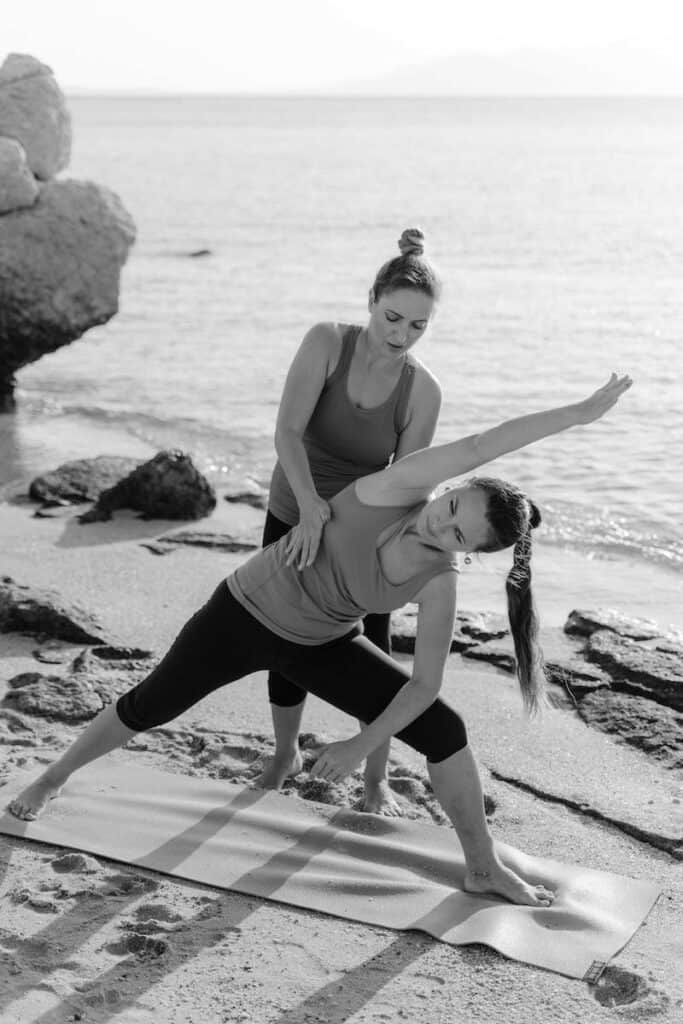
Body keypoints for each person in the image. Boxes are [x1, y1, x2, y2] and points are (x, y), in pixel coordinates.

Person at [8, 373, 632, 909]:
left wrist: (363, 743)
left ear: (468, 553)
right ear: (452, 488)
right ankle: (52, 779)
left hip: (321, 644)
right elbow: (482, 442)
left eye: (459, 536)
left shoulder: (438, 582)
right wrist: (578, 415)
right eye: (452, 507)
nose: (440, 525)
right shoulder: (396, 488)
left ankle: (481, 863)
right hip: (244, 613)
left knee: (445, 728)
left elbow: (425, 685)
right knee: (150, 705)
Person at [262, 227, 443, 813]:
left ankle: (376, 779)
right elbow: (288, 432)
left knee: (378, 652)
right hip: (295, 506)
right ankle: (286, 753)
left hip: (366, 529)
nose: (401, 335)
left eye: (418, 327)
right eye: (393, 318)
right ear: (372, 299)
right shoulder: (325, 342)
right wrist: (312, 507)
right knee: (285, 640)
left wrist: (427, 553)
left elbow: (408, 483)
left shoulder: (423, 390)